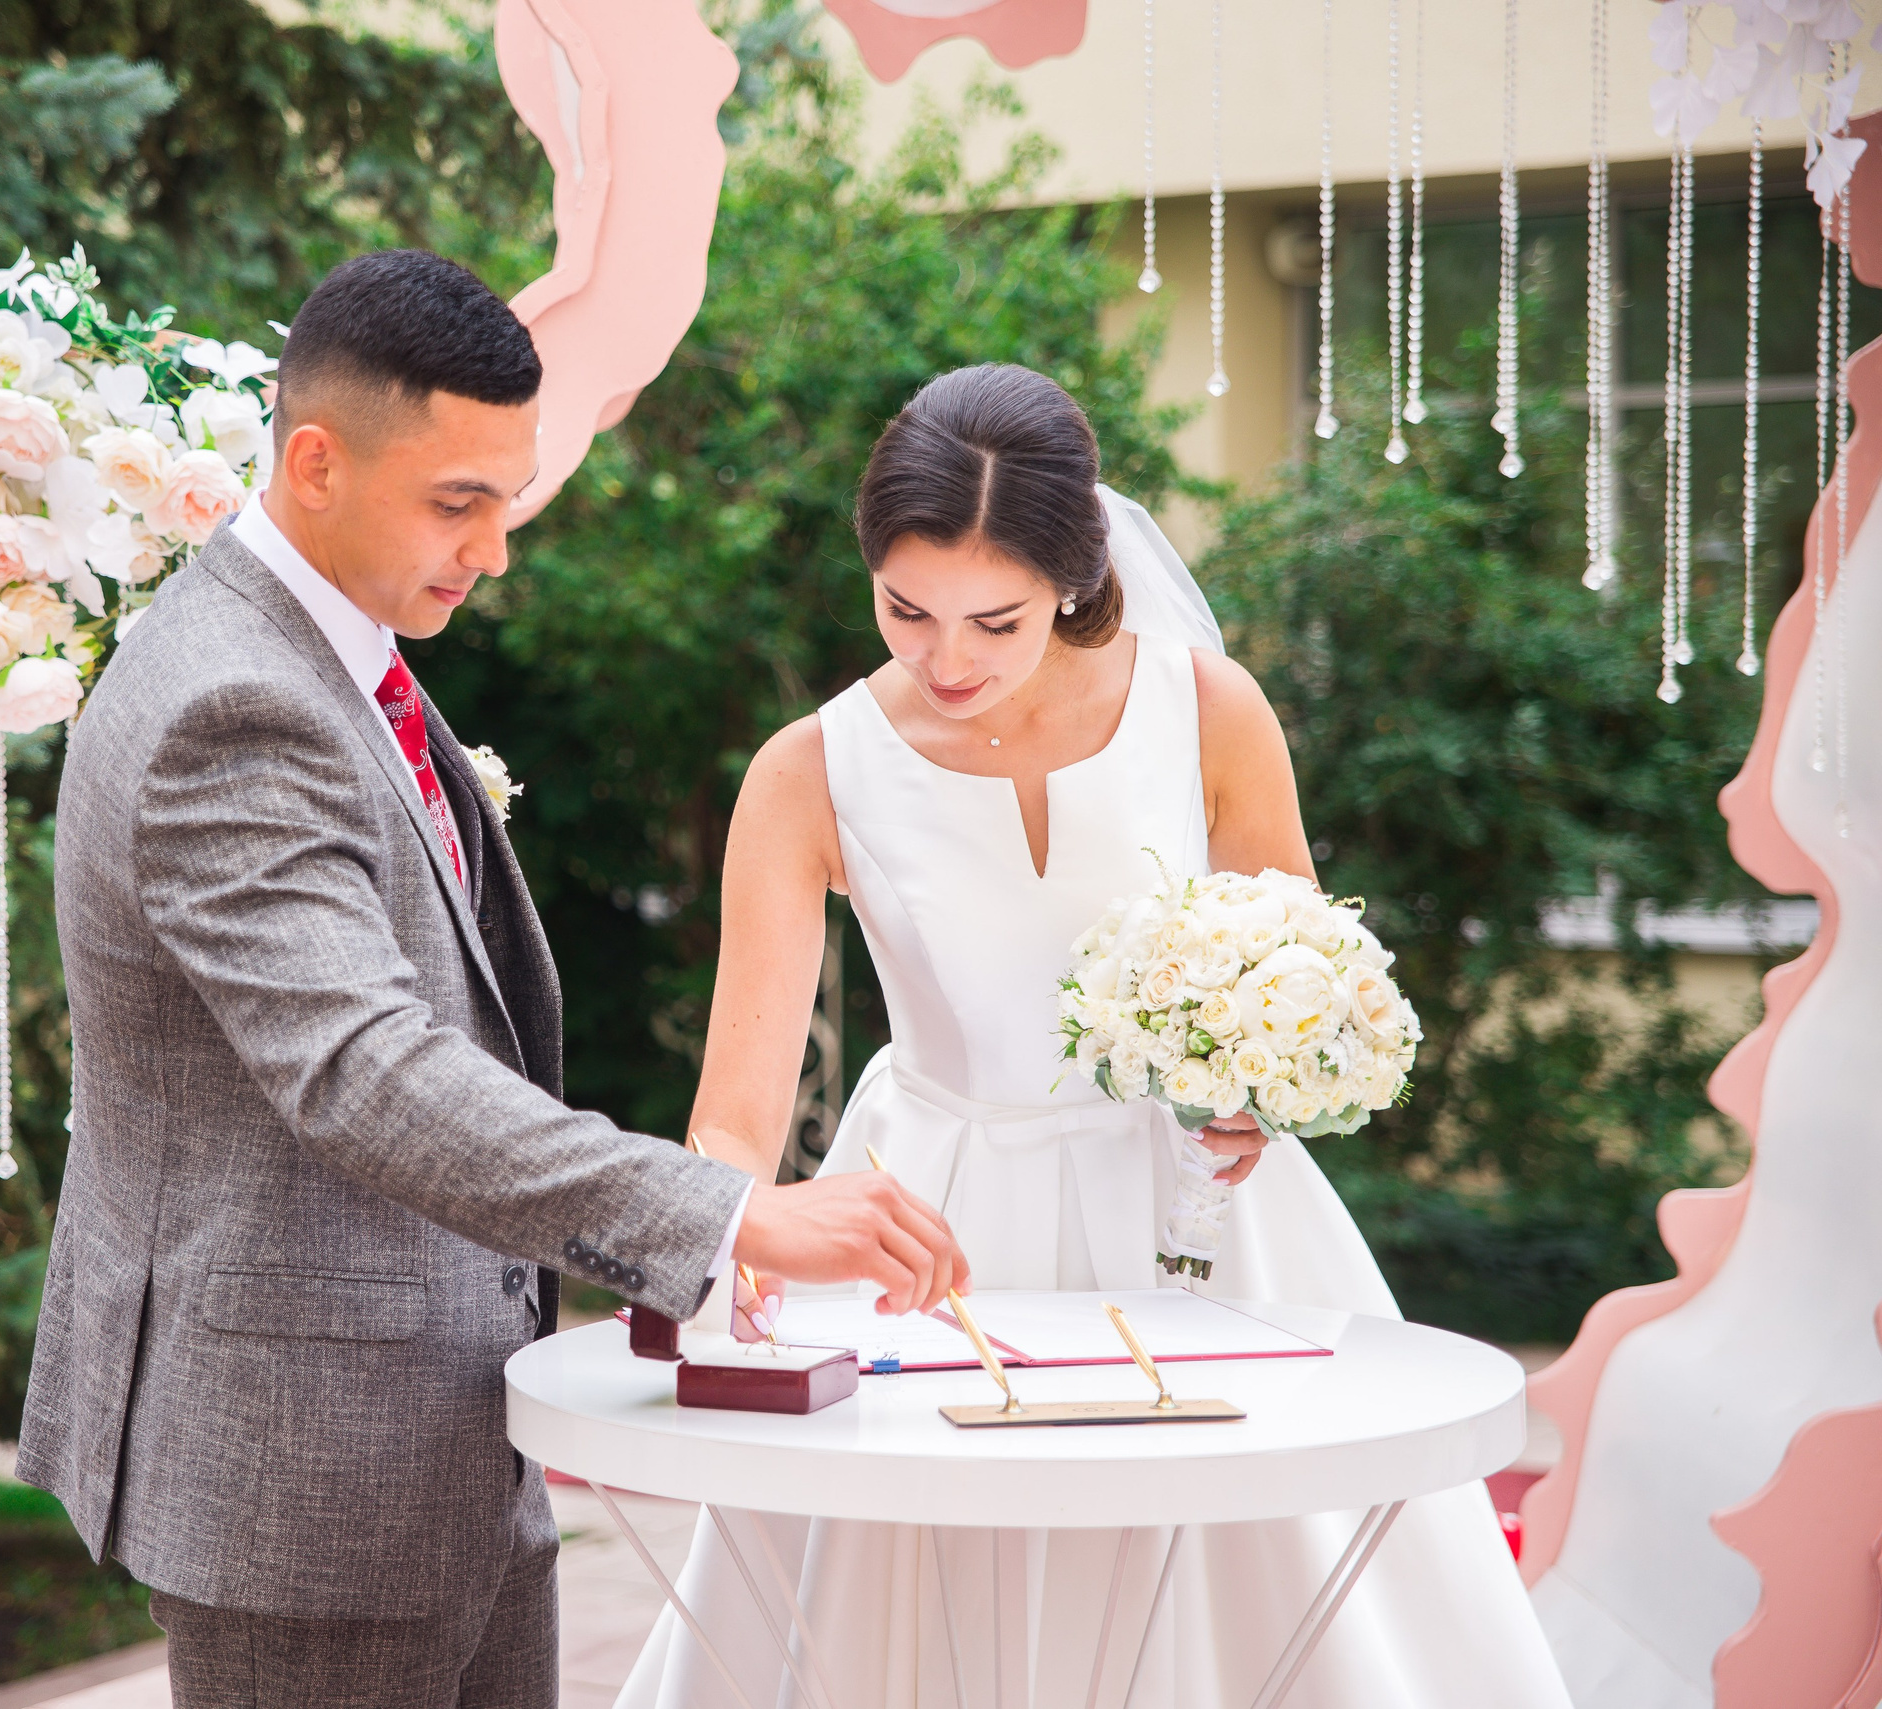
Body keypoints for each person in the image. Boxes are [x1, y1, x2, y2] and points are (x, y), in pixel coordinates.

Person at [15, 250, 970, 1708]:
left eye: (506, 503)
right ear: (316, 461)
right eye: (457, 504)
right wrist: (729, 1215)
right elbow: (365, 1071)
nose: (495, 551)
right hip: (309, 1476)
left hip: (442, 1436)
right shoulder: (235, 701)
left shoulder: (328, 651)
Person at [615, 365, 1572, 1708]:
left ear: (1074, 576)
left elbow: (1297, 963)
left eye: (993, 620)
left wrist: (1262, 1095)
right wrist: (736, 1227)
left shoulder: (1209, 711)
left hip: (1191, 1207)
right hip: (931, 1230)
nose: (947, 660)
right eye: (906, 610)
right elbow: (737, 1105)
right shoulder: (808, 769)